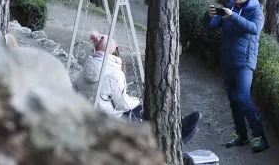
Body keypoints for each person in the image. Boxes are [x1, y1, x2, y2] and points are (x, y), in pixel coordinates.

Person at [74, 31, 202, 143]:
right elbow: (122, 104)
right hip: (109, 120)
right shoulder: (114, 73)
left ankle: (178, 124)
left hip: (94, 117)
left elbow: (74, 89)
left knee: (142, 109)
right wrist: (138, 100)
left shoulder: (85, 70)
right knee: (147, 107)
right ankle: (176, 131)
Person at [202, 0, 270, 153]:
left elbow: (254, 28)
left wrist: (233, 17)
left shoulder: (256, 10)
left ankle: (260, 137)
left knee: (243, 98)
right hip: (228, 61)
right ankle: (241, 134)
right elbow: (211, 25)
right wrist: (209, 15)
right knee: (233, 100)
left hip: (245, 63)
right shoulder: (230, 7)